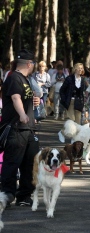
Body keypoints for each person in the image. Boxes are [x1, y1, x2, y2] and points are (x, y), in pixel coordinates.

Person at [0, 49, 40, 206]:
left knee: (30, 162)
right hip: (16, 128)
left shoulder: (25, 79)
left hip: (28, 128)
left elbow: (23, 98)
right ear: (29, 64)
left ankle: (24, 195)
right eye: (33, 63)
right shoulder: (14, 78)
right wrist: (23, 115)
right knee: (12, 162)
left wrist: (33, 103)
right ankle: (7, 194)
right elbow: (16, 97)